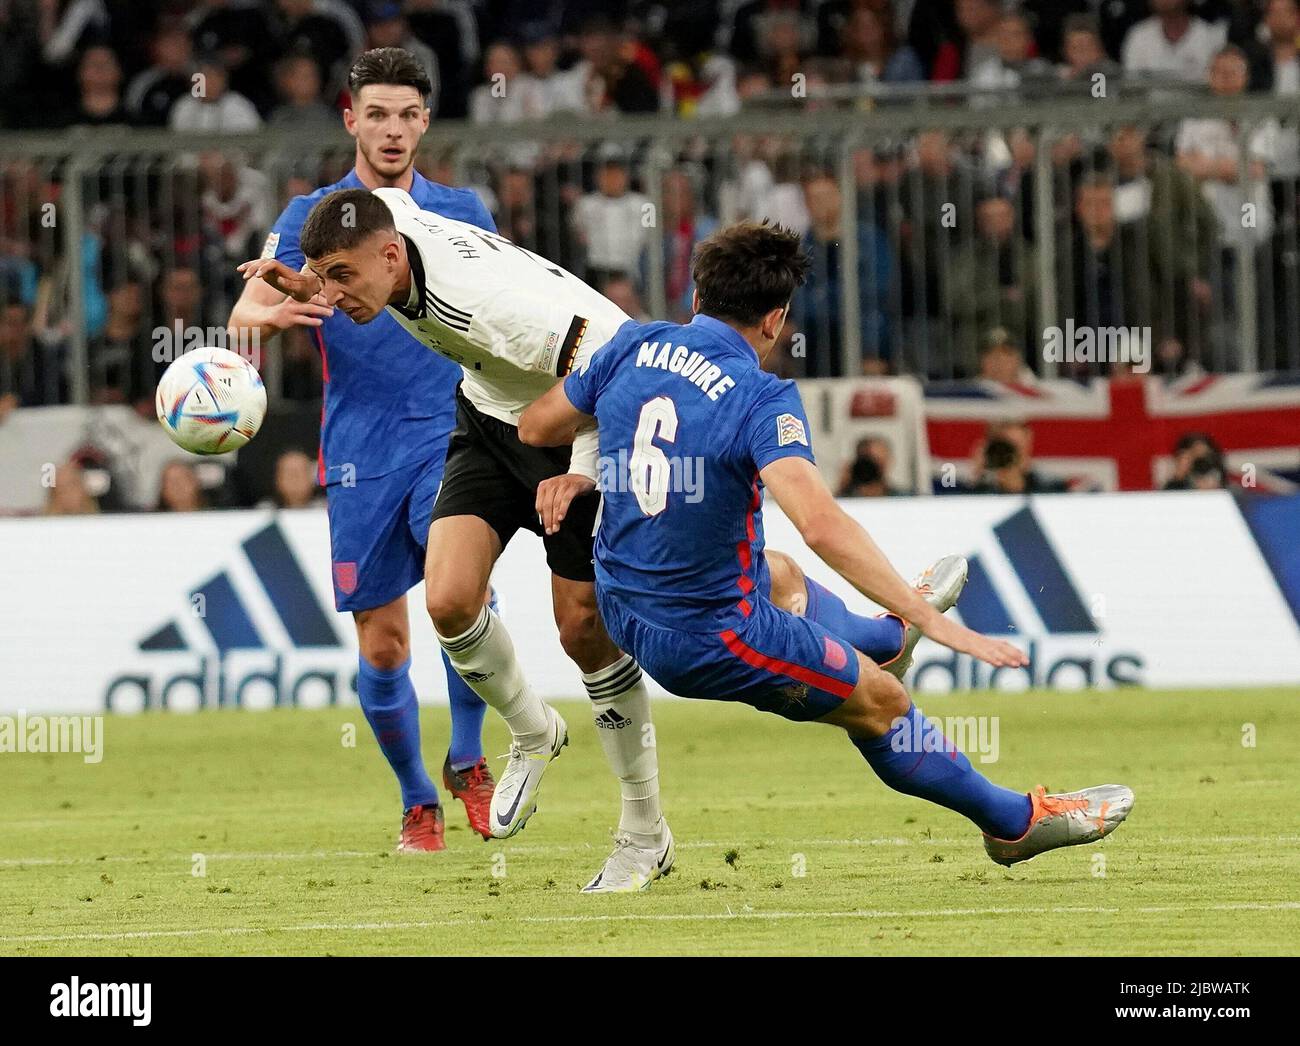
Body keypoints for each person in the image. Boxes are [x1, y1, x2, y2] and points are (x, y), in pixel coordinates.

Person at [518, 221, 1133, 867]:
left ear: (695, 298)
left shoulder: (631, 344)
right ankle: (1014, 823)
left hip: (622, 609)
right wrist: (936, 619)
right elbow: (821, 523)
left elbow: (537, 425)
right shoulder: (760, 397)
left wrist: (586, 468)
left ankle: (888, 638)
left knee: (776, 572)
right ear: (776, 321)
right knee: (882, 703)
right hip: (709, 638)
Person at [241, 184, 674, 893]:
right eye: (327, 277)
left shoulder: (485, 306)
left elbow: (613, 360)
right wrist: (308, 281)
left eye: (343, 277)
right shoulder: (387, 224)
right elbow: (374, 199)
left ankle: (643, 833)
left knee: (585, 631)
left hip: (578, 421)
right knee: (448, 600)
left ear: (389, 256)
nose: (336, 297)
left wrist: (583, 473)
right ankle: (535, 731)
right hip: (485, 414)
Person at [227, 48, 494, 855]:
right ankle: (418, 799)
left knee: (464, 602)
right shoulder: (316, 214)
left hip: (453, 433)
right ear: (350, 118)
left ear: (424, 122)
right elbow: (249, 304)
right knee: (384, 643)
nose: (393, 130)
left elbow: (499, 308)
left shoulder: (462, 209)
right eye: (376, 114)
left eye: (408, 114)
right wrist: (267, 317)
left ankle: (471, 759)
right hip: (358, 450)